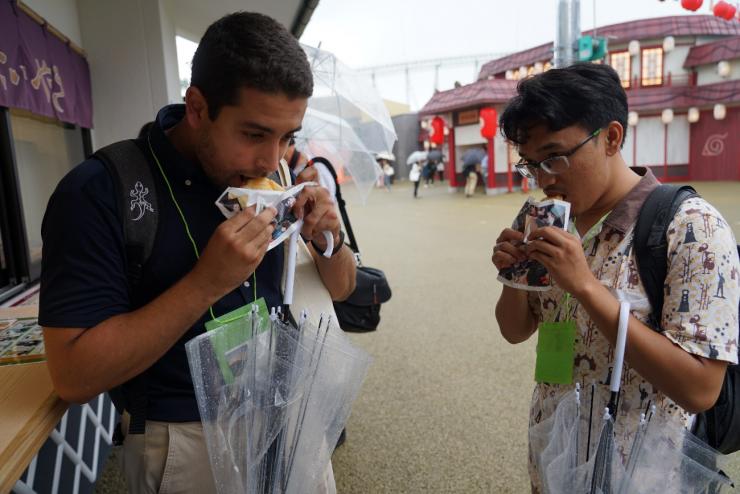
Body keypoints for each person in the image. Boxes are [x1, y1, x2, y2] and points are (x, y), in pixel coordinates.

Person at [39, 12, 356, 494]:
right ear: (196, 106)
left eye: (288, 136)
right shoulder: (101, 191)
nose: (272, 160)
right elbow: (74, 376)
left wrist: (329, 240)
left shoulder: (280, 178)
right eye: (253, 134)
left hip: (286, 409)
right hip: (183, 436)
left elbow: (342, 286)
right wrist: (207, 281)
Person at [491, 63, 739, 493]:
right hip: (553, 452)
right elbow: (514, 330)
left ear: (611, 138)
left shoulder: (691, 227)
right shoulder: (548, 219)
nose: (544, 179)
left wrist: (586, 287)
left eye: (556, 157)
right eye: (531, 165)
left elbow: (701, 389)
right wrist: (515, 275)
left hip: (646, 471)